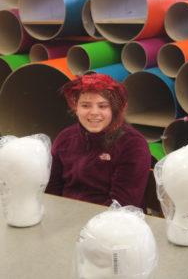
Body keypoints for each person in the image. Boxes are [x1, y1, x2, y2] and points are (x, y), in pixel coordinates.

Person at [45, 73, 151, 209]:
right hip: (65, 218)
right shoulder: (65, 139)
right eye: (85, 105)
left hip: (112, 225)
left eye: (103, 106)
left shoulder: (133, 145)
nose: (94, 112)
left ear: (115, 109)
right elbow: (51, 192)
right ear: (76, 108)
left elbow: (122, 205)